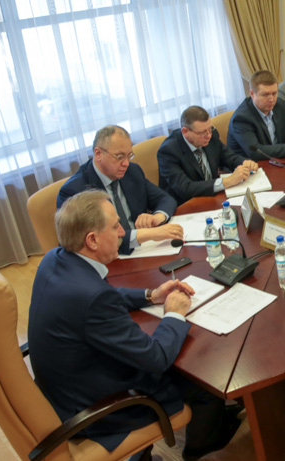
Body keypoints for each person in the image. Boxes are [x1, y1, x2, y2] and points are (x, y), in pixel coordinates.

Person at [30, 191, 241, 460]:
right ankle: (202, 447)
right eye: (115, 226)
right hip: (98, 409)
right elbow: (156, 358)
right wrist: (174, 314)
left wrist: (151, 295)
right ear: (92, 240)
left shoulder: (56, 259)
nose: (122, 232)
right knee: (203, 377)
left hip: (62, 393)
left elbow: (103, 296)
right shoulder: (92, 298)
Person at [57, 125, 181, 255]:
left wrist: (158, 217)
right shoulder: (75, 191)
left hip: (142, 250)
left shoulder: (131, 171)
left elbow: (165, 199)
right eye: (119, 156)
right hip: (109, 259)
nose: (126, 163)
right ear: (98, 154)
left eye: (129, 155)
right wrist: (146, 234)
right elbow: (90, 243)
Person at [157, 106, 259, 206]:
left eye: (210, 129)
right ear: (185, 131)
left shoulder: (211, 135)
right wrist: (226, 181)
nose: (208, 135)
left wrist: (245, 163)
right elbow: (185, 188)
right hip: (186, 205)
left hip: (213, 198)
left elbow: (228, 157)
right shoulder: (168, 151)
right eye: (202, 132)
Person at [228, 70, 285, 160]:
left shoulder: (278, 105)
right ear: (252, 93)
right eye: (265, 95)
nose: (271, 99)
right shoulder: (241, 118)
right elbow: (256, 152)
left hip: (276, 160)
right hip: (252, 165)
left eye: (274, 93)